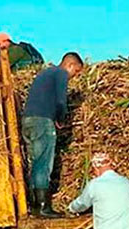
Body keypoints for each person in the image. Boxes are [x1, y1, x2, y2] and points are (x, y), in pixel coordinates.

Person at [22, 52, 84, 217]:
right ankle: (43, 207)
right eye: (76, 72)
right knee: (44, 163)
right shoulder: (60, 73)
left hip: (28, 121)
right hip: (42, 121)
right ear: (70, 65)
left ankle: (34, 205)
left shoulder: (46, 73)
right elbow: (61, 101)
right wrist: (60, 118)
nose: (74, 76)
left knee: (35, 162)